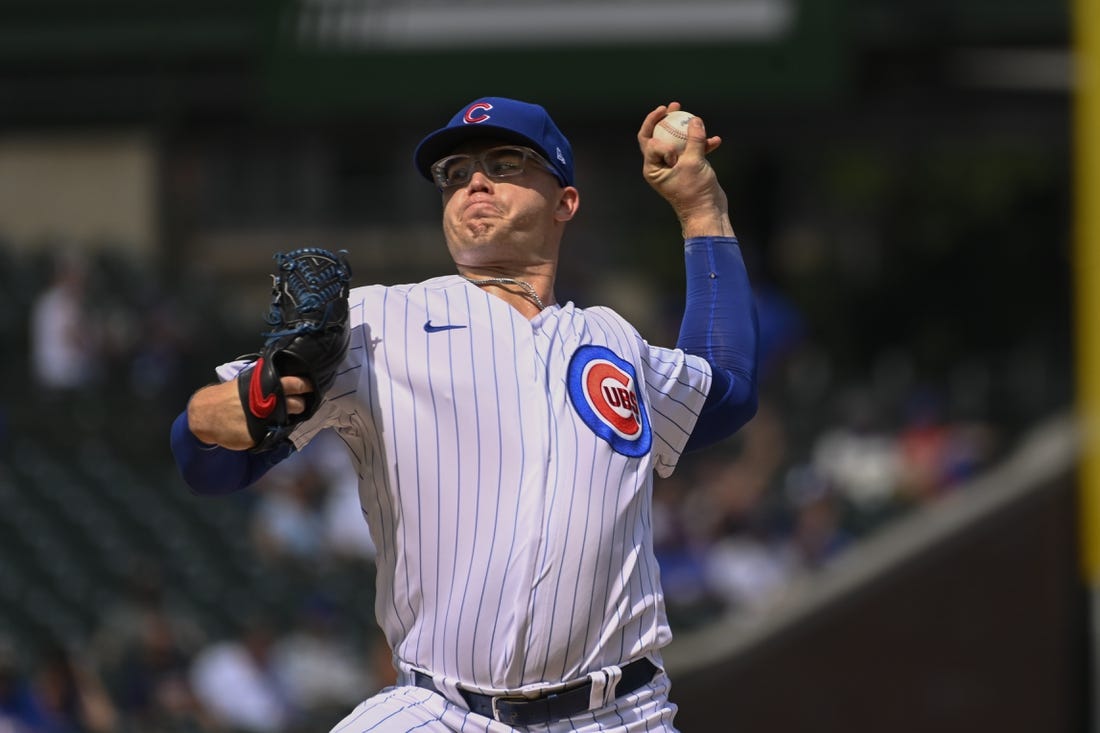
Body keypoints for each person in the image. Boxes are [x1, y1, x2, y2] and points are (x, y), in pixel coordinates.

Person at [171, 97, 759, 732]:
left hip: (620, 714)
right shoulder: (377, 324)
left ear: (566, 202)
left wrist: (701, 209)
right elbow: (206, 458)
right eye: (454, 173)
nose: (474, 180)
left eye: (506, 164)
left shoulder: (613, 340)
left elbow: (727, 393)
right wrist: (234, 411)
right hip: (444, 712)